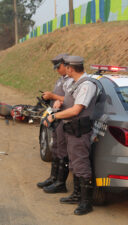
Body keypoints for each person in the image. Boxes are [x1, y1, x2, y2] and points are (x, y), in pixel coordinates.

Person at [44, 55, 97, 215]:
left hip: (79, 131)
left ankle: (86, 203)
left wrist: (54, 116)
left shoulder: (87, 85)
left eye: (66, 67)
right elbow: (70, 102)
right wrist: (60, 103)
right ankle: (76, 195)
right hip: (71, 129)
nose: (64, 70)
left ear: (70, 68)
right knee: (74, 164)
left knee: (81, 165)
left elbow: (76, 110)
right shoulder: (75, 83)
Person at [37, 53, 71, 194]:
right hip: (56, 118)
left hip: (65, 119)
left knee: (62, 151)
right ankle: (53, 178)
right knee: (55, 148)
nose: (57, 70)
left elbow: (70, 99)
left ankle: (60, 183)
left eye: (59, 67)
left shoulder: (71, 81)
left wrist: (53, 96)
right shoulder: (61, 79)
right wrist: (49, 98)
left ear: (66, 65)